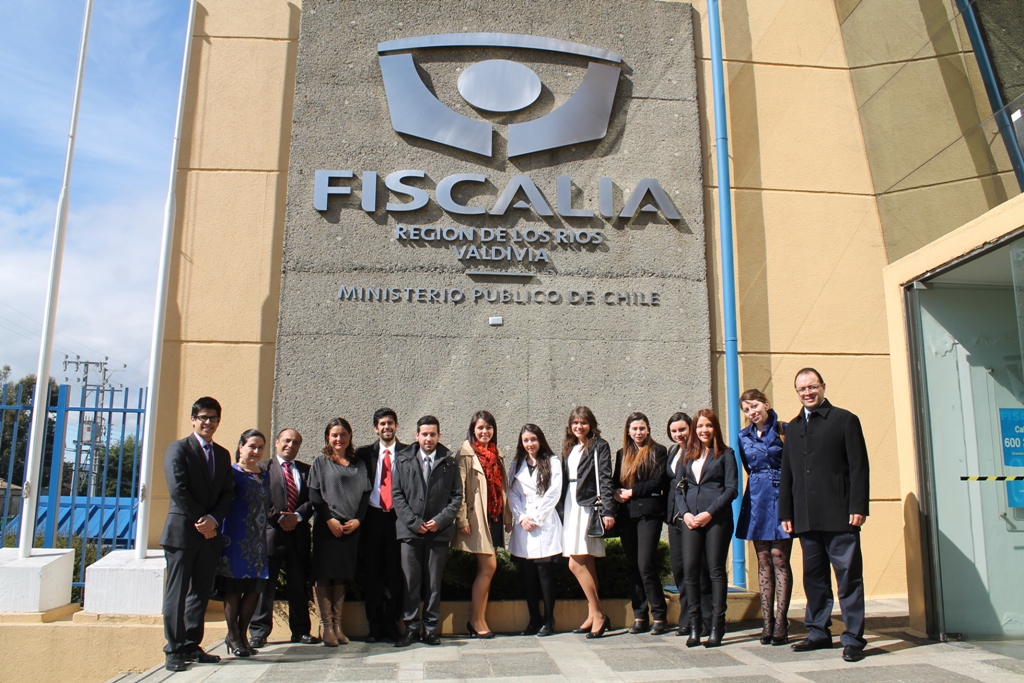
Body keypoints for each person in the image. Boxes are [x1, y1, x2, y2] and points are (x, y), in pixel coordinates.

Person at [780, 368, 870, 663]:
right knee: (814, 578)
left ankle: (854, 638)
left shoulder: (845, 420)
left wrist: (858, 506)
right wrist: (786, 512)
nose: (807, 392)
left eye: (812, 386)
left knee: (848, 579)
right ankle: (818, 631)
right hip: (806, 517)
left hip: (840, 515)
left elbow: (859, 467)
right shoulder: (792, 428)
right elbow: (788, 474)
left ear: (822, 387)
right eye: (801, 388)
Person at [160, 396, 234, 672]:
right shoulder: (178, 449)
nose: (208, 422)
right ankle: (174, 648)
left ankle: (192, 643)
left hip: (210, 534)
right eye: (203, 417)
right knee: (177, 593)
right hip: (183, 534)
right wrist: (201, 520)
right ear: (193, 420)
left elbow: (228, 493)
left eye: (213, 418)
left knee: (200, 592)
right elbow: (178, 489)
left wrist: (214, 520)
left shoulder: (223, 454)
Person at [392, 416, 464, 647]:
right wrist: (414, 522)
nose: (428, 438)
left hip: (437, 533)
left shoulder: (449, 461)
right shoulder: (402, 460)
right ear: (416, 436)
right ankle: (411, 628)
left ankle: (431, 629)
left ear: (439, 436)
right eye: (424, 434)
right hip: (410, 533)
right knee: (411, 582)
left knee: (433, 583)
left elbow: (456, 497)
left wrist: (439, 521)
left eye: (433, 434)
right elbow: (397, 495)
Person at [249, 428, 317, 648]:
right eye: (287, 441)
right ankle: (259, 631)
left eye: (296, 442)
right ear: (277, 442)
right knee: (265, 586)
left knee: (298, 585)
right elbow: (261, 499)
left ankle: (300, 631)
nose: (291, 445)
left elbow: (314, 500)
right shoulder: (262, 468)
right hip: (270, 535)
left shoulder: (307, 471)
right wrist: (279, 517)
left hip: (298, 536)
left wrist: (297, 517)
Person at [677, 409, 737, 649]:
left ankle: (717, 626)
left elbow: (732, 489)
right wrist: (687, 514)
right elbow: (678, 489)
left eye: (708, 426)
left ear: (715, 428)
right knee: (690, 572)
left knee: (715, 571)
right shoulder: (686, 455)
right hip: (691, 520)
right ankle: (695, 626)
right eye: (700, 426)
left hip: (717, 520)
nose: (704, 430)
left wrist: (709, 513)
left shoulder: (726, 454)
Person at [308, 417, 371, 647]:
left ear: (349, 437)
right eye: (334, 435)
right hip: (328, 527)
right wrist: (328, 519)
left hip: (350, 527)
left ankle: (337, 626)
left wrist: (358, 520)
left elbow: (366, 494)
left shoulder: (358, 464)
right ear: (328, 437)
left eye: (343, 434)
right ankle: (326, 627)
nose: (338, 439)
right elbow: (314, 494)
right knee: (325, 575)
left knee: (341, 576)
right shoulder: (320, 463)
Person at [736, 389, 792, 645]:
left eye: (755, 405)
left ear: (766, 404)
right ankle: (766, 622)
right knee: (763, 560)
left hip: (781, 497)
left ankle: (782, 621)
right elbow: (749, 468)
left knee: (779, 558)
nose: (752, 412)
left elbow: (792, 465)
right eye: (746, 409)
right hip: (757, 497)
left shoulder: (784, 429)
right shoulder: (743, 436)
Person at [452, 410, 513, 639]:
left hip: (494, 516)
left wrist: (507, 519)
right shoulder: (465, 455)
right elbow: (459, 490)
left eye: (488, 428)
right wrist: (462, 520)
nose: (484, 432)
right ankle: (475, 620)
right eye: (480, 428)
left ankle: (479, 619)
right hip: (477, 518)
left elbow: (502, 490)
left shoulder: (497, 455)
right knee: (489, 567)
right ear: (473, 430)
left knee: (486, 569)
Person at [560, 406, 615, 639]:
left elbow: (605, 477)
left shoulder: (599, 446)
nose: (579, 427)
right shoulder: (570, 448)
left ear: (591, 424)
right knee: (587, 562)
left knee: (575, 563)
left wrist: (608, 510)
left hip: (587, 505)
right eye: (575, 423)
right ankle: (594, 614)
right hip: (571, 504)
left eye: (583, 423)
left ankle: (598, 615)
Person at [612, 412, 669, 634]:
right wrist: (617, 492)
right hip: (627, 515)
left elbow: (657, 482)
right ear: (628, 431)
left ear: (648, 429)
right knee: (633, 566)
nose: (638, 433)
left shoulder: (658, 451)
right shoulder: (621, 454)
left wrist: (632, 491)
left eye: (642, 428)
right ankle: (639, 615)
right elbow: (615, 481)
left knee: (646, 564)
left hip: (649, 515)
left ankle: (660, 614)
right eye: (634, 429)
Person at [217, 429, 270, 657]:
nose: (256, 451)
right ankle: (233, 636)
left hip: (257, 538)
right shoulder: (231, 473)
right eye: (251, 446)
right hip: (234, 537)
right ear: (241, 447)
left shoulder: (264, 473)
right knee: (234, 588)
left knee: (254, 588)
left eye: (260, 448)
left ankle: (243, 634)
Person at [355, 408, 406, 643]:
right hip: (373, 518)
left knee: (397, 574)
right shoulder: (364, 454)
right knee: (373, 575)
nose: (386, 427)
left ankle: (392, 625)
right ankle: (374, 627)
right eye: (382, 424)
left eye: (390, 423)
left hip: (398, 518)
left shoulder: (408, 452)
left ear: (396, 426)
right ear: (376, 428)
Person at [508, 424, 563, 636]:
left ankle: (549, 620)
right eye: (525, 440)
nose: (530, 444)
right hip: (524, 524)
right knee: (528, 575)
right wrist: (522, 517)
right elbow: (512, 493)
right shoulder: (516, 464)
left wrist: (537, 518)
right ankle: (533, 620)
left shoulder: (552, 461)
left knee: (545, 573)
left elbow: (554, 492)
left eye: (533, 439)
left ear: (540, 440)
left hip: (544, 522)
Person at [665, 412, 712, 638]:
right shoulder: (673, 452)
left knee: (697, 570)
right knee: (680, 569)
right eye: (674, 431)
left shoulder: (697, 451)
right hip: (675, 517)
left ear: (690, 429)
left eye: (682, 430)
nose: (678, 434)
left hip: (692, 517)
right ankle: (687, 617)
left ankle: (704, 619)